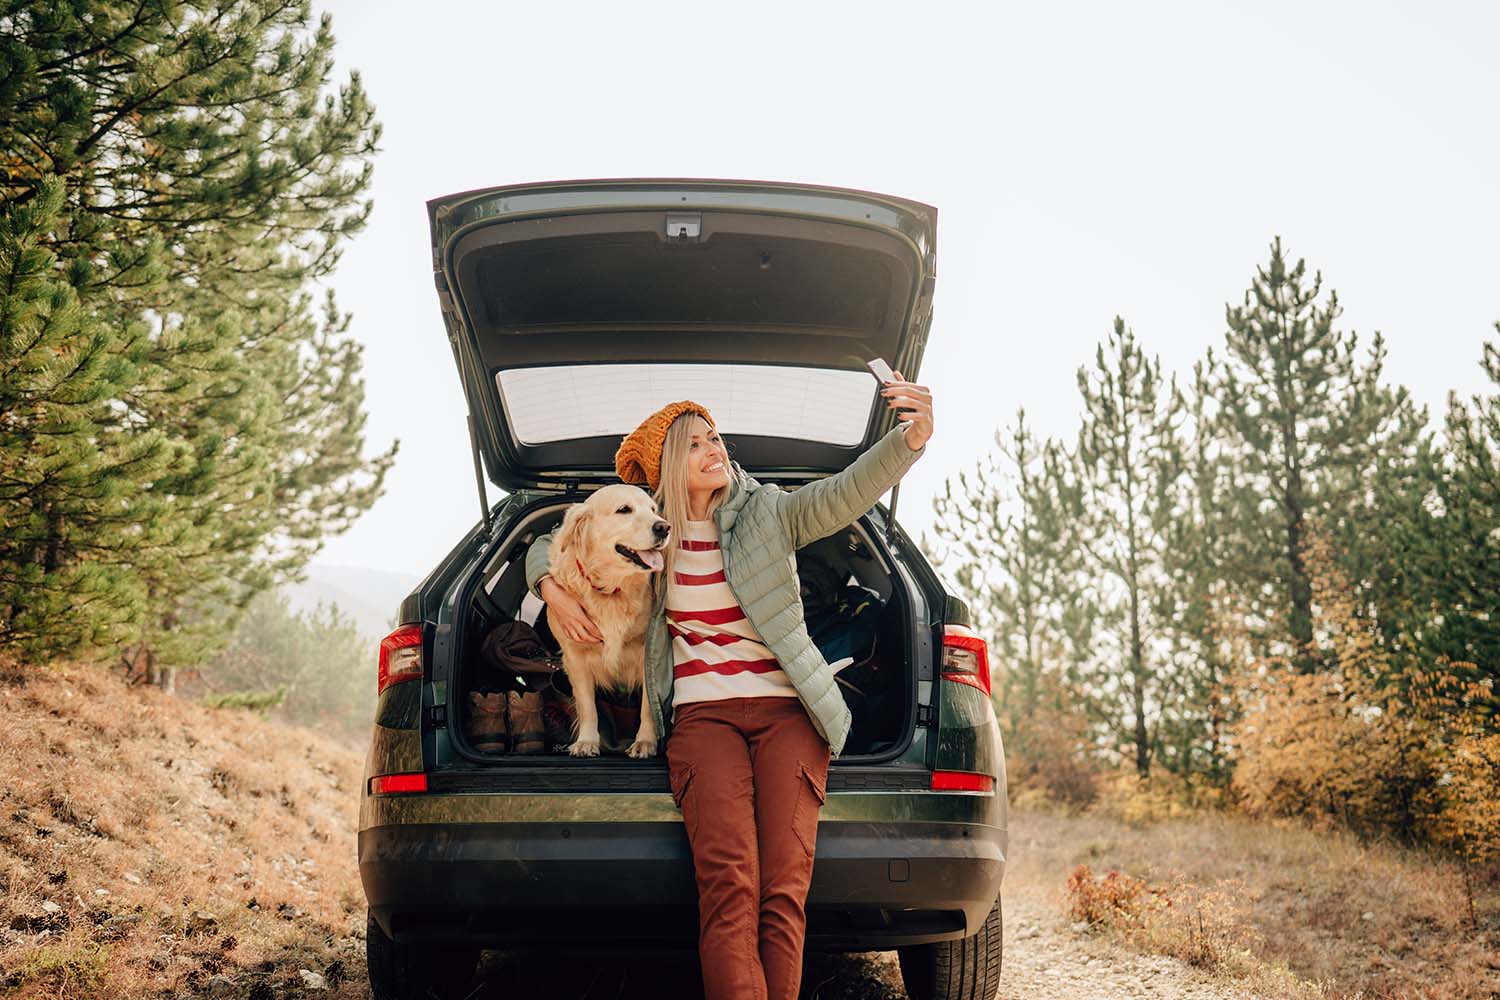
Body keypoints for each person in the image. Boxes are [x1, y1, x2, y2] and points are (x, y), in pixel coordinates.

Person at [524, 373, 934, 1000]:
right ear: (667, 462)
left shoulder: (769, 511)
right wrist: (547, 585)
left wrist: (911, 440)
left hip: (788, 713)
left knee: (783, 888)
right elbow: (558, 542)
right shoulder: (646, 541)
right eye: (693, 443)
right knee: (729, 884)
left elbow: (846, 493)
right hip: (702, 718)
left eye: (715, 437)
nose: (714, 448)